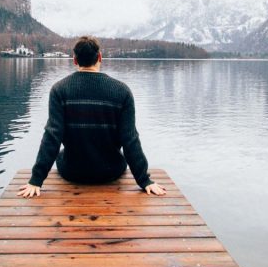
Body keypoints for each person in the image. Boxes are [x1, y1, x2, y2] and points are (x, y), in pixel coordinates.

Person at [18, 36, 167, 198]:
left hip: (72, 172)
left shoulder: (59, 90)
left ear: (75, 60)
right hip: (111, 172)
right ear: (100, 57)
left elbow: (52, 136)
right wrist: (145, 180)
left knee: (62, 153)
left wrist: (36, 180)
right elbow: (130, 140)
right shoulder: (122, 91)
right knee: (120, 155)